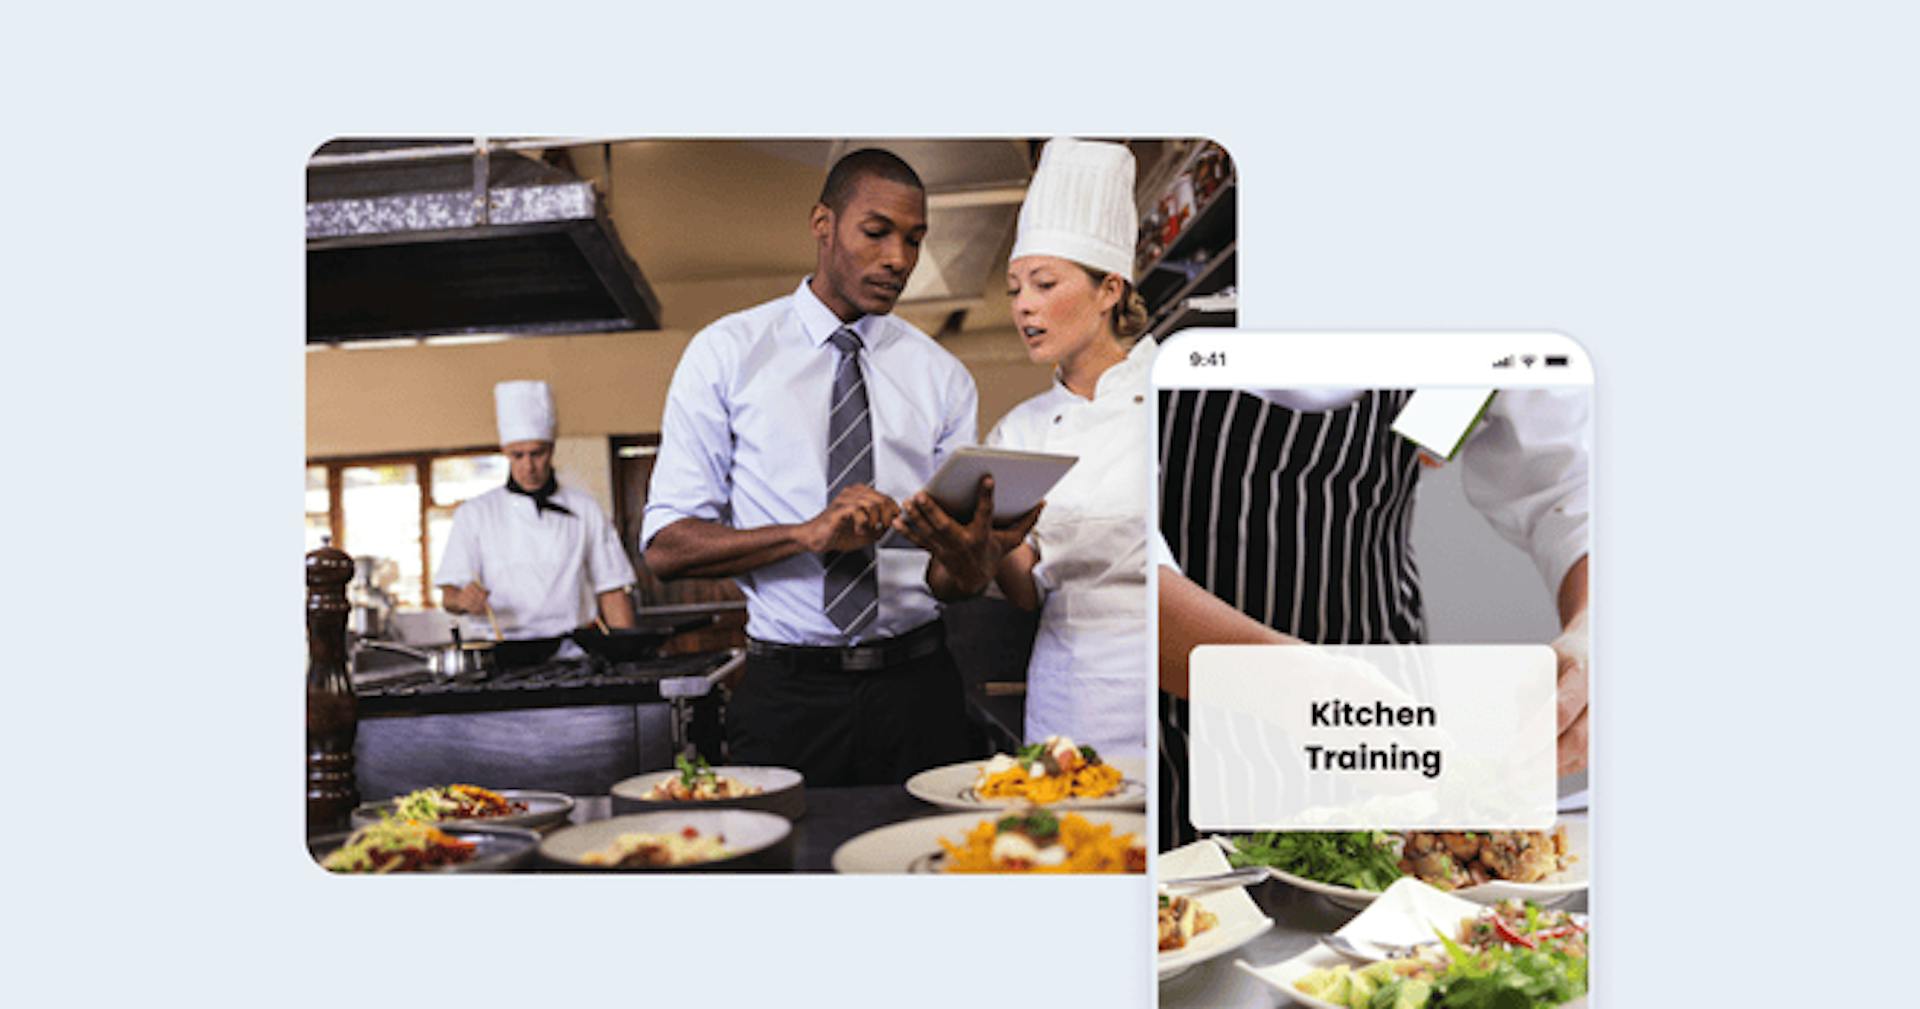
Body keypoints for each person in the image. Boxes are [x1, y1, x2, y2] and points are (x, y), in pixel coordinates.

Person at [642, 149, 1032, 787]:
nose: (899, 259)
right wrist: (806, 534)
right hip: (785, 697)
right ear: (822, 224)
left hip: (920, 689)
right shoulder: (726, 354)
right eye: (876, 233)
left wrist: (975, 556)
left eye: (914, 239)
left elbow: (949, 584)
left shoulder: (942, 378)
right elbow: (665, 548)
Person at [1156, 384, 1590, 847]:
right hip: (1165, 706)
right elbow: (1097, 538)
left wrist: (1591, 633)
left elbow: (1570, 481)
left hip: (1386, 695)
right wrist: (1281, 681)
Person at [896, 138, 1151, 757]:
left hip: (1165, 676)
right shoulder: (1021, 431)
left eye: (1043, 283)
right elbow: (1025, 588)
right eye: (1014, 290)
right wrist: (979, 548)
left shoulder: (1179, 394)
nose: (1024, 307)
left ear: (1109, 289)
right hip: (1068, 690)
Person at [436, 380, 638, 650]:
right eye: (517, 456)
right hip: (501, 650)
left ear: (552, 449)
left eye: (536, 454)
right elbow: (449, 595)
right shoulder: (474, 514)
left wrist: (628, 655)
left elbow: (612, 590)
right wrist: (462, 600)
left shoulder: (585, 508)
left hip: (572, 649)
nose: (528, 466)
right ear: (505, 453)